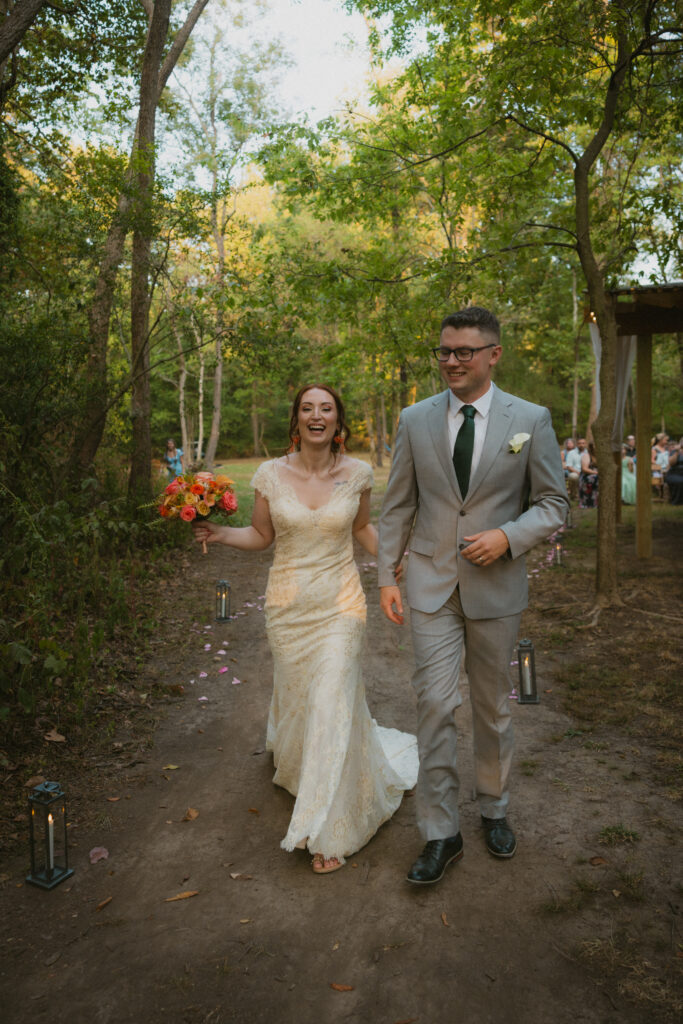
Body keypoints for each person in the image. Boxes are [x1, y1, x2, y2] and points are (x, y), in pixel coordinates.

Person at [193, 384, 418, 874]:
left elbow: (362, 529)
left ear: (338, 421)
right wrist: (220, 533)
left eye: (327, 408)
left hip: (342, 606)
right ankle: (304, 771)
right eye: (308, 408)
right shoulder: (270, 475)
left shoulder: (358, 474)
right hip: (288, 609)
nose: (317, 415)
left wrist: (393, 559)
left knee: (331, 697)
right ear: (296, 419)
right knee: (301, 698)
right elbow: (262, 535)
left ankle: (332, 830)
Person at [378, 306, 567, 885]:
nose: (452, 361)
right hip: (431, 585)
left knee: (491, 707)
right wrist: (386, 576)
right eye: (445, 351)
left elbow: (554, 504)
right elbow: (399, 505)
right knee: (435, 705)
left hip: (497, 588)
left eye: (464, 351)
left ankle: (494, 808)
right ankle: (441, 832)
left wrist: (508, 537)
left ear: (494, 354)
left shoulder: (529, 419)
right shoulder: (414, 419)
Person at [579, 441, 598, 508]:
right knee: (594, 478)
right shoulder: (586, 456)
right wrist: (596, 473)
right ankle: (589, 502)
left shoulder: (599, 457)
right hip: (587, 476)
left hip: (597, 475)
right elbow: (584, 469)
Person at [665, 438, 683, 505]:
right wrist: (677, 452)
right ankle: (677, 501)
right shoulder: (675, 452)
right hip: (674, 473)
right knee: (679, 481)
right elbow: (671, 463)